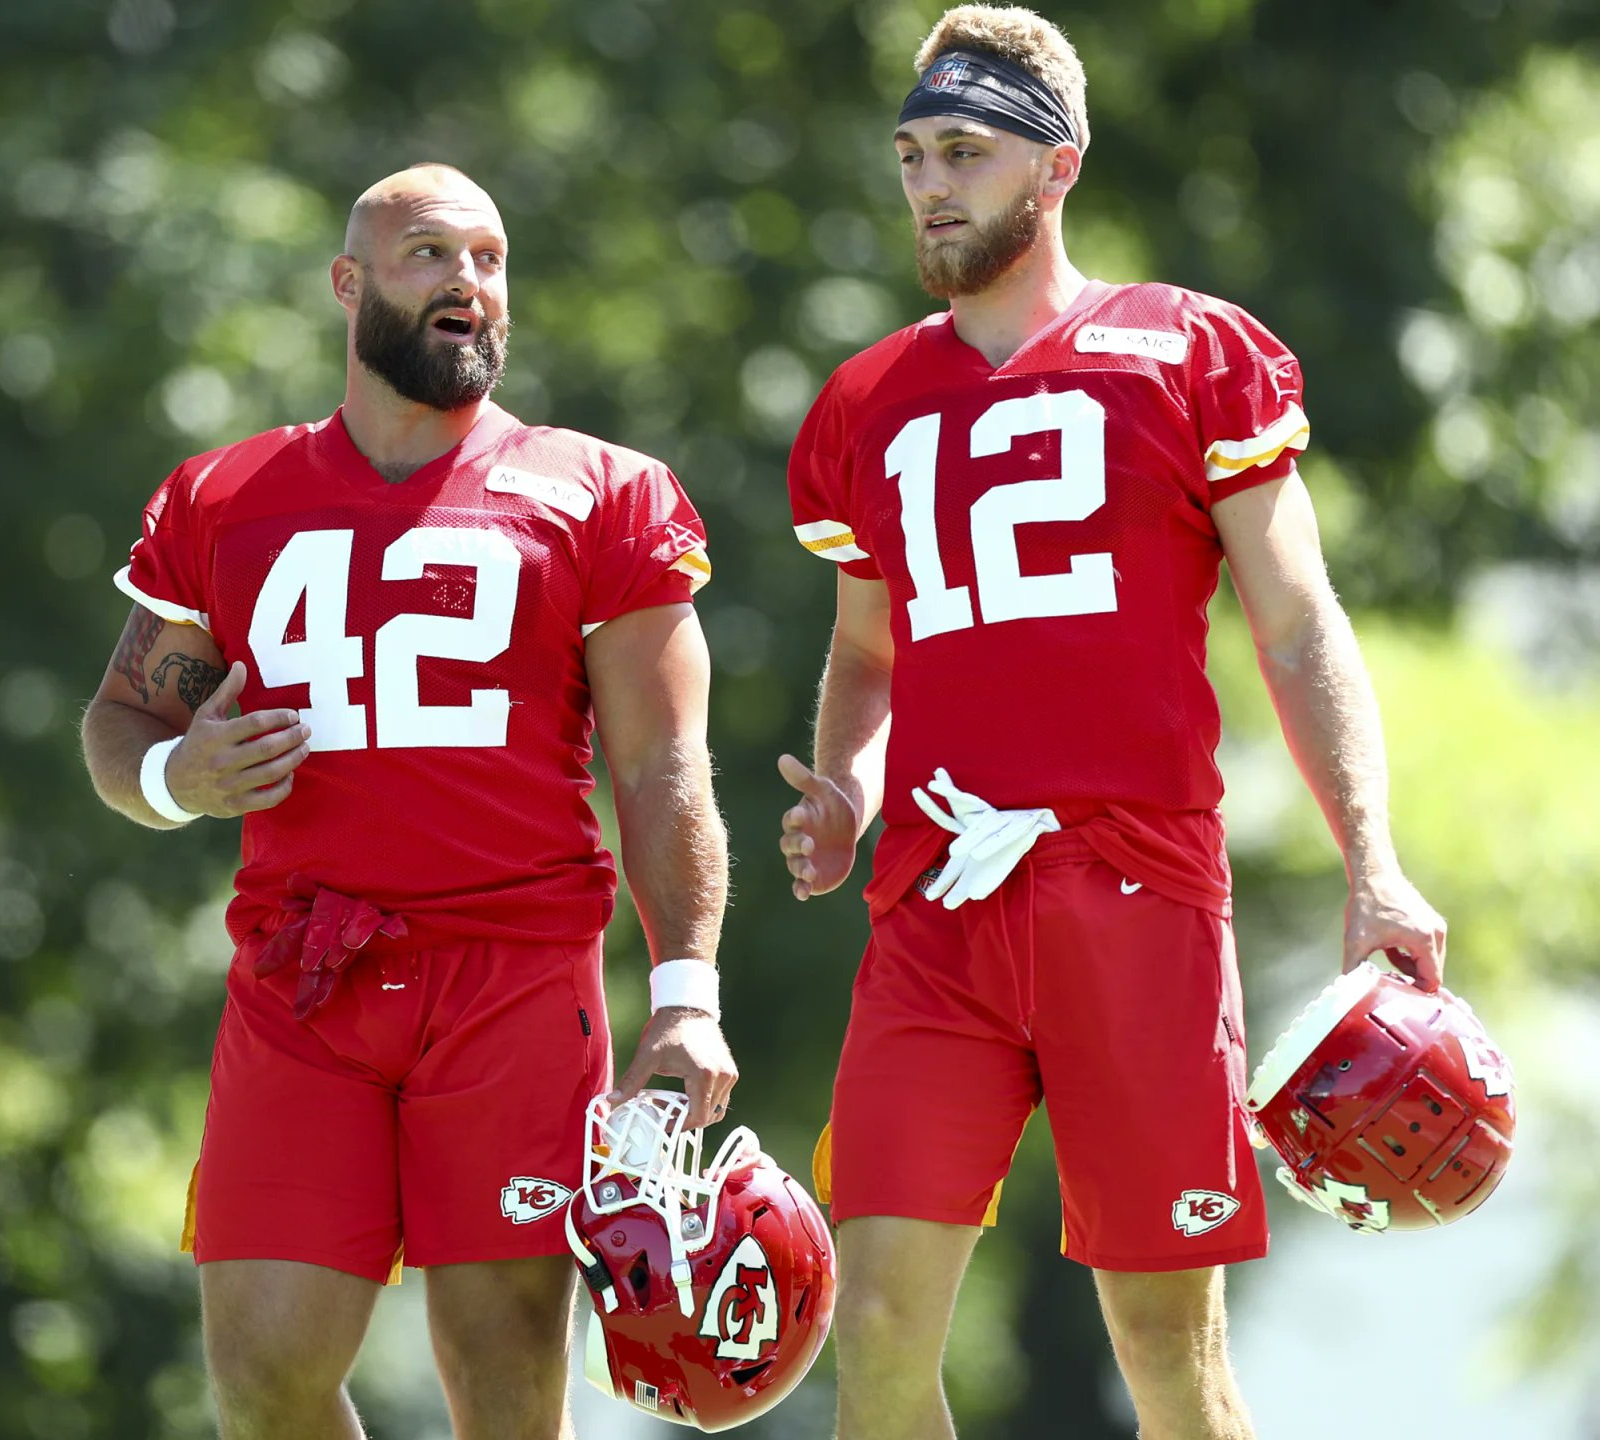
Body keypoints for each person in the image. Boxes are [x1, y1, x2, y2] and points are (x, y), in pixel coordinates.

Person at [772, 9, 1448, 1437]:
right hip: (937, 907)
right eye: (912, 154)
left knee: (1167, 1357)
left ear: (1056, 166)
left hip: (1133, 895)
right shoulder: (863, 402)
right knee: (876, 1332)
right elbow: (867, 652)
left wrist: (1373, 862)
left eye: (965, 151)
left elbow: (1297, 624)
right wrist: (844, 787)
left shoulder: (1189, 351)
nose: (930, 184)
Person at [79, 162, 738, 1440]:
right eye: (430, 253)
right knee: (262, 1372)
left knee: (503, 1387)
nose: (468, 283)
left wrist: (686, 995)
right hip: (303, 974)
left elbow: (663, 767)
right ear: (348, 283)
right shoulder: (226, 496)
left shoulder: (601, 490)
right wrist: (173, 777)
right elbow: (120, 719)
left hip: (511, 978)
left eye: (489, 259)